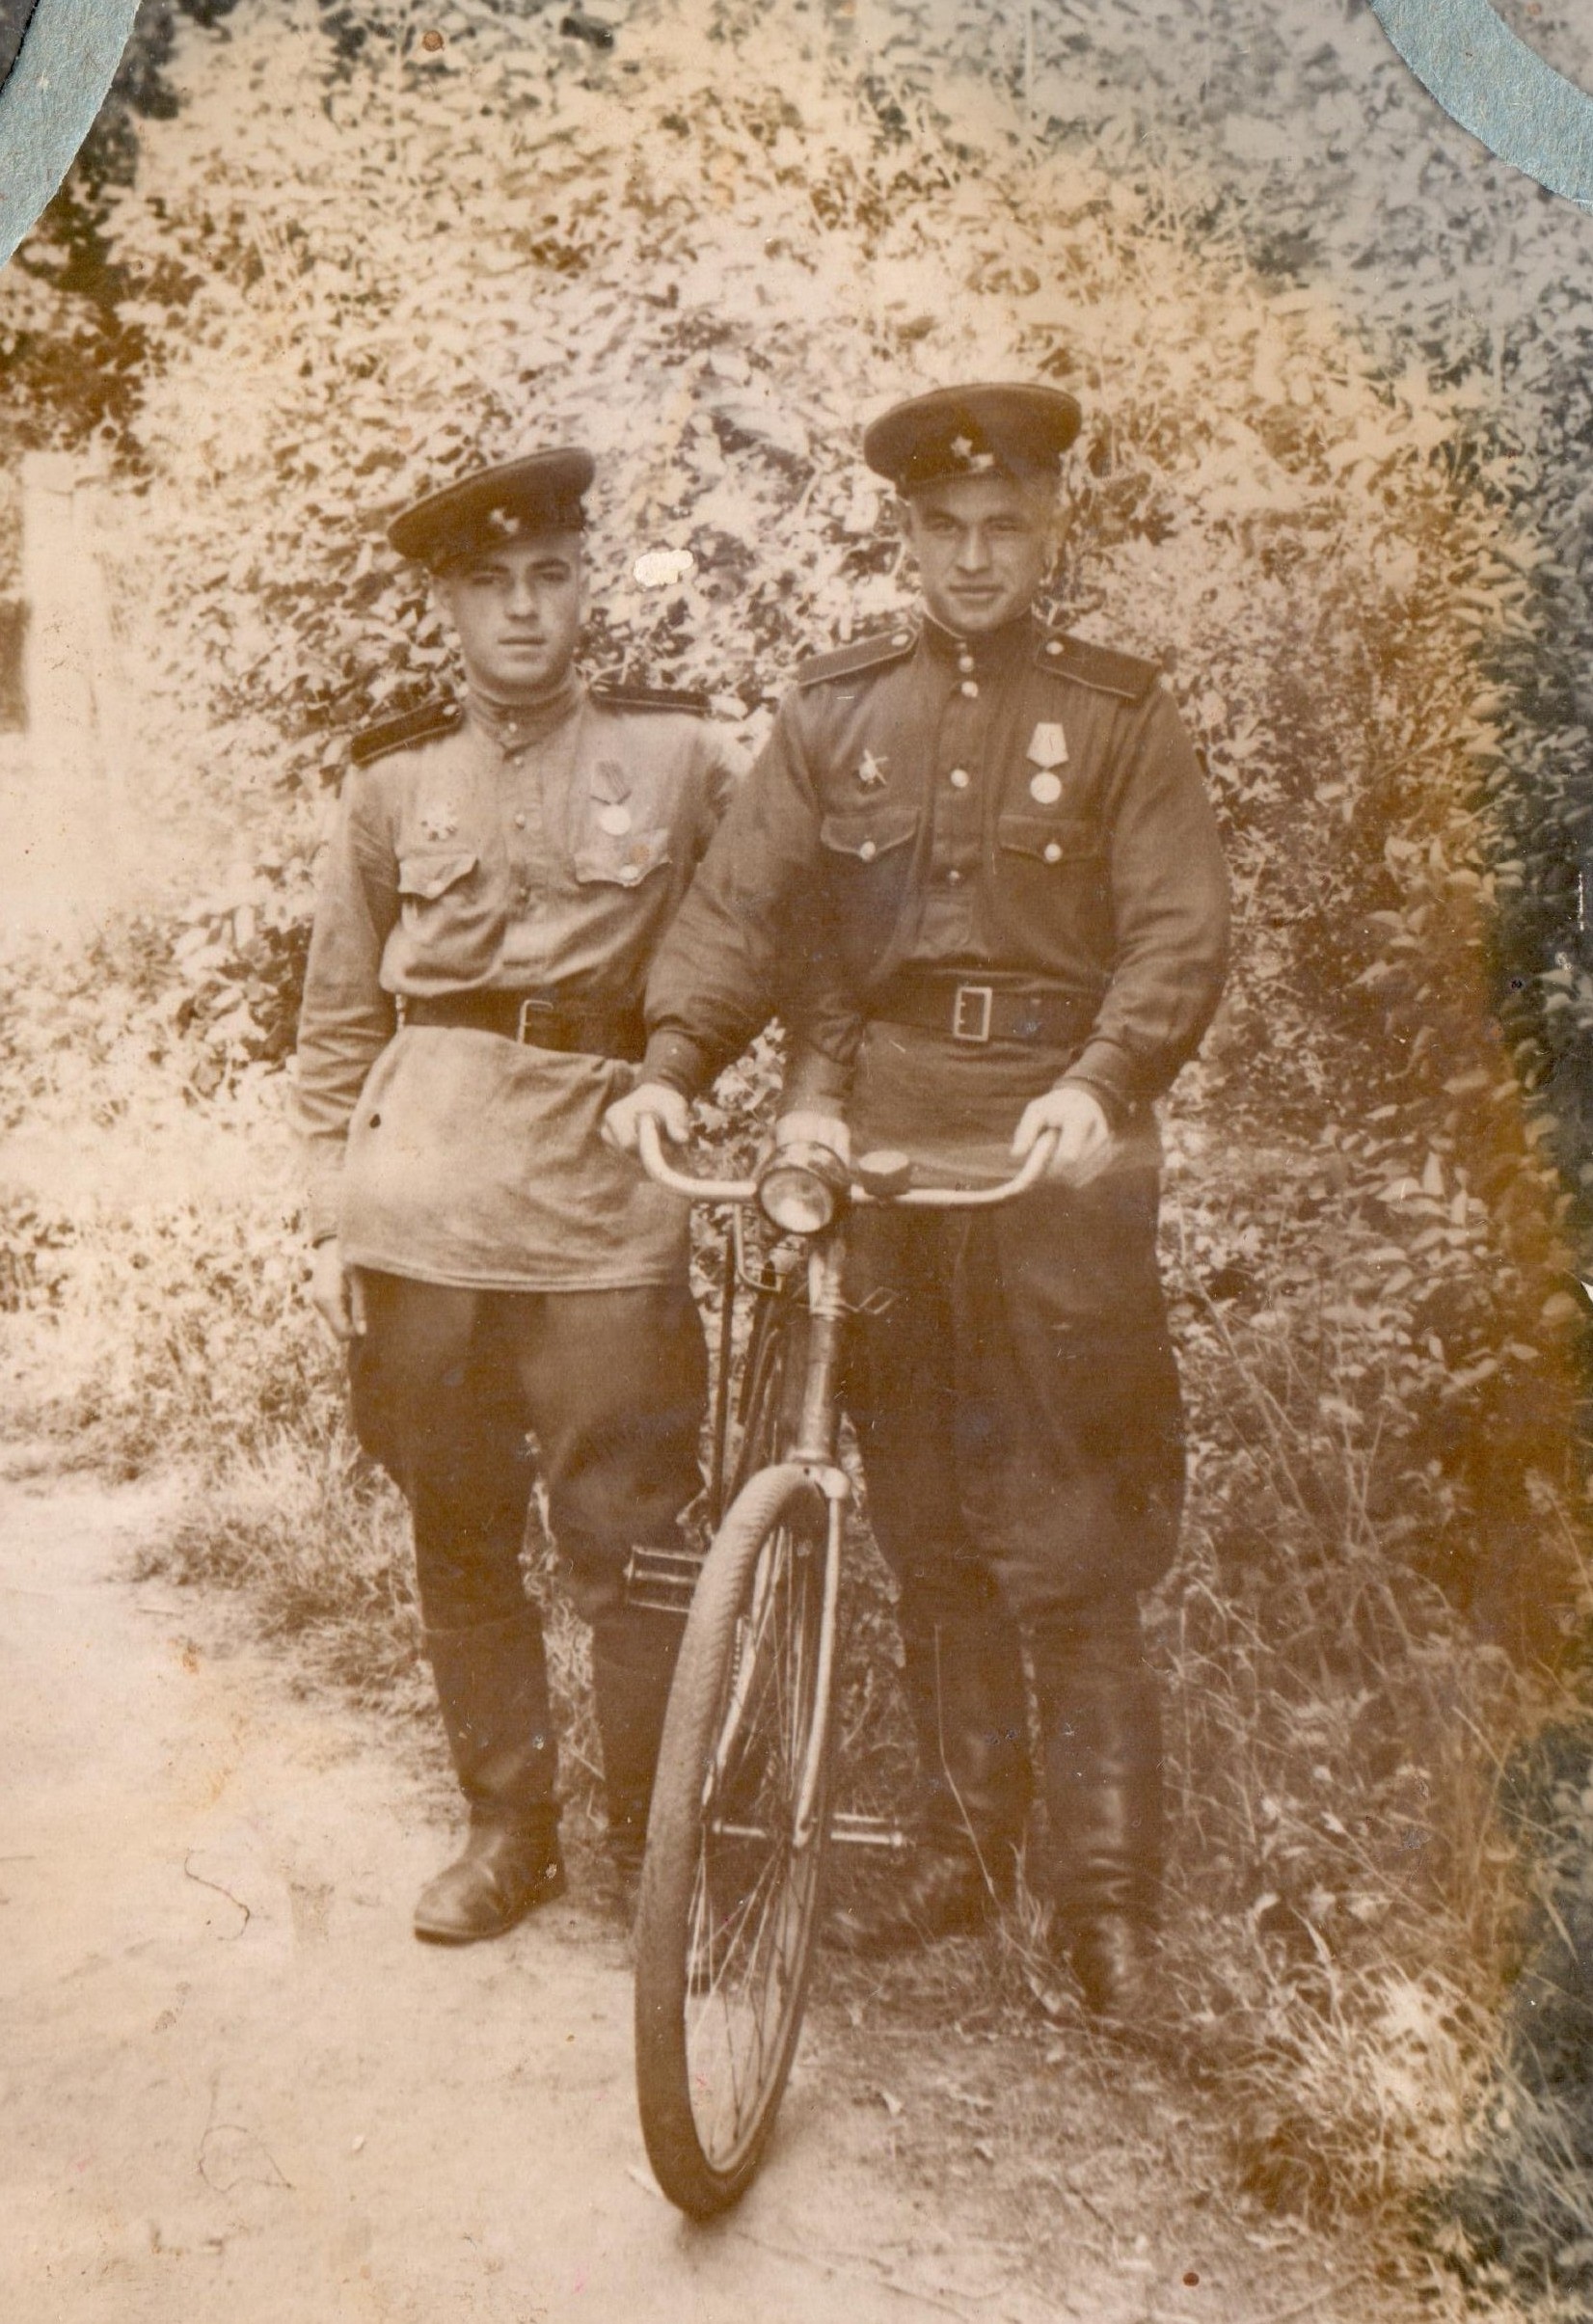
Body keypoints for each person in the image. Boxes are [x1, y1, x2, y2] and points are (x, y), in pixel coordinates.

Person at [605, 384, 1229, 2021]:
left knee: (1068, 1527)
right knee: (928, 1519)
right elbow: (741, 907)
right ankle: (966, 1847)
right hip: (882, 1144)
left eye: (1004, 525)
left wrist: (1103, 1082)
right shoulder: (837, 711)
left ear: (1051, 532)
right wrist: (673, 1061)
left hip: (1051, 1149)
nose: (973, 555)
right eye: (943, 528)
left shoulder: (1119, 714)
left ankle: (1105, 1904)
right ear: (905, 536)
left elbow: (1179, 932)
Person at [296, 448, 742, 1944]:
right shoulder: (390, 777)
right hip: (422, 1200)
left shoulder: (680, 757)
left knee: (635, 1529)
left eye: (550, 576)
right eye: (490, 584)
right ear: (448, 604)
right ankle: (508, 1829)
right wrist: (328, 1213)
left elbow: (761, 936)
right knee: (461, 1520)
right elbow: (338, 1018)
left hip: (606, 1194)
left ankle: (659, 1849)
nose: (525, 610)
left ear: (585, 583)